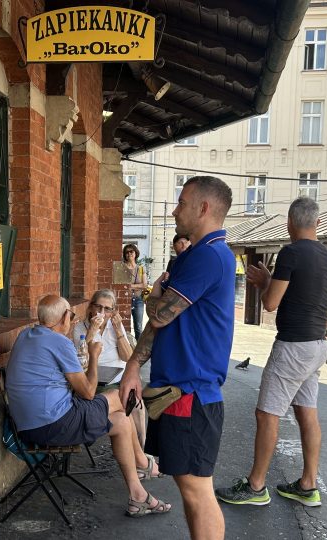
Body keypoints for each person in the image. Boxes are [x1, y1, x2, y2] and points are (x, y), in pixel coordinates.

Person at [119, 176, 235, 540]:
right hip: (179, 392)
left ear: (203, 208)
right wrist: (133, 367)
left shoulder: (209, 256)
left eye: (181, 202)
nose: (174, 210)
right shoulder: (196, 255)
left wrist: (155, 293)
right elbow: (162, 323)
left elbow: (159, 315)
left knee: (197, 491)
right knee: (190, 489)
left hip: (191, 393)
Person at [215, 197, 327, 509]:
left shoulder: (291, 252)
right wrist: (272, 282)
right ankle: (308, 485)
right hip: (317, 345)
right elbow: (301, 295)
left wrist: (265, 282)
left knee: (266, 414)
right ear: (317, 224)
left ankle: (256, 486)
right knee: (306, 411)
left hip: (293, 346)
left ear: (290, 224)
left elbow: (271, 303)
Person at [6, 295, 170, 517]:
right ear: (64, 317)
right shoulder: (59, 342)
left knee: (121, 421)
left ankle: (138, 495)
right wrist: (94, 356)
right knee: (118, 395)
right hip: (53, 425)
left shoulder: (25, 335)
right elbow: (88, 392)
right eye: (71, 315)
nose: (72, 320)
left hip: (26, 426)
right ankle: (142, 462)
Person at [72, 290, 154, 458]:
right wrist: (92, 331)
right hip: (95, 382)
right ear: (90, 308)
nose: (102, 313)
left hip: (118, 378)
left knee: (138, 404)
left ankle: (143, 451)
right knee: (125, 408)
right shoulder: (80, 327)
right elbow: (81, 360)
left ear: (113, 311)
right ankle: (136, 458)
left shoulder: (115, 326)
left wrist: (118, 332)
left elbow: (127, 357)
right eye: (99, 307)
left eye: (107, 309)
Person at [123, 244, 148, 342]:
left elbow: (145, 285)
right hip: (125, 299)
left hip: (138, 300)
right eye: (127, 252)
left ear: (135, 253)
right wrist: (138, 286)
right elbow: (121, 285)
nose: (129, 254)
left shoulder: (141, 268)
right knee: (125, 325)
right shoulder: (122, 268)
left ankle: (138, 349)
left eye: (131, 251)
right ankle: (127, 348)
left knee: (138, 327)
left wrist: (130, 286)